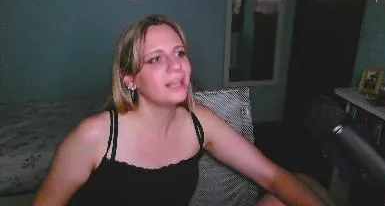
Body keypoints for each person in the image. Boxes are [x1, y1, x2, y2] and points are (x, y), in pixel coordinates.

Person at [34, 15, 326, 206]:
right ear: (129, 79)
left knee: (293, 191)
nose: (176, 66)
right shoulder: (94, 136)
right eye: (156, 59)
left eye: (180, 53)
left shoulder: (200, 122)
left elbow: (271, 175)